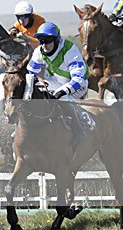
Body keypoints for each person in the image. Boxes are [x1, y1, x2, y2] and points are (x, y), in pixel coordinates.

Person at [28, 22, 89, 150]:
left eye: (48, 40)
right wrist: (37, 78)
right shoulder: (39, 51)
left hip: (78, 85)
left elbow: (78, 79)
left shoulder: (70, 50)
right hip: (56, 81)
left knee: (61, 97)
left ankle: (78, 131)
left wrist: (62, 91)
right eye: (41, 40)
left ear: (56, 40)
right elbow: (30, 73)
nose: (44, 45)